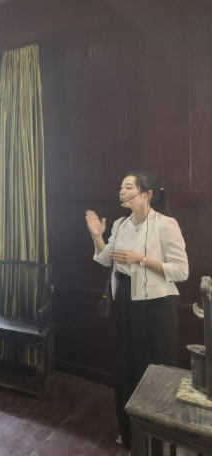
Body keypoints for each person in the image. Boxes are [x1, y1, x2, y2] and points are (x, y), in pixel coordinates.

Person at [85, 170, 189, 450]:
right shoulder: (120, 224)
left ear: (147, 194)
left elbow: (181, 271)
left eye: (128, 187)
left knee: (154, 370)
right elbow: (106, 259)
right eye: (121, 186)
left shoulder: (166, 224)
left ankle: (158, 440)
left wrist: (140, 259)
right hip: (124, 302)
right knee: (124, 367)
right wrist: (97, 236)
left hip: (156, 307)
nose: (121, 191)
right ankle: (129, 434)